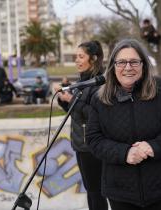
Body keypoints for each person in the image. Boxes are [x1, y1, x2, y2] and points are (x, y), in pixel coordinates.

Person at [86, 39, 161, 210]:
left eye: (134, 61)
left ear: (143, 64)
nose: (128, 67)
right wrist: (125, 153)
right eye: (121, 62)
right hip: (121, 192)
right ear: (113, 66)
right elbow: (93, 139)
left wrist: (153, 147)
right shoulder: (99, 99)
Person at [57, 40, 108, 210]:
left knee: (96, 192)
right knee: (91, 190)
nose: (77, 60)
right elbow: (77, 113)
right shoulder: (83, 81)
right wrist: (64, 99)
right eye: (75, 57)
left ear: (93, 59)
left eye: (81, 56)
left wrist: (71, 99)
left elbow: (95, 115)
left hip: (92, 146)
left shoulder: (99, 83)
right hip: (81, 144)